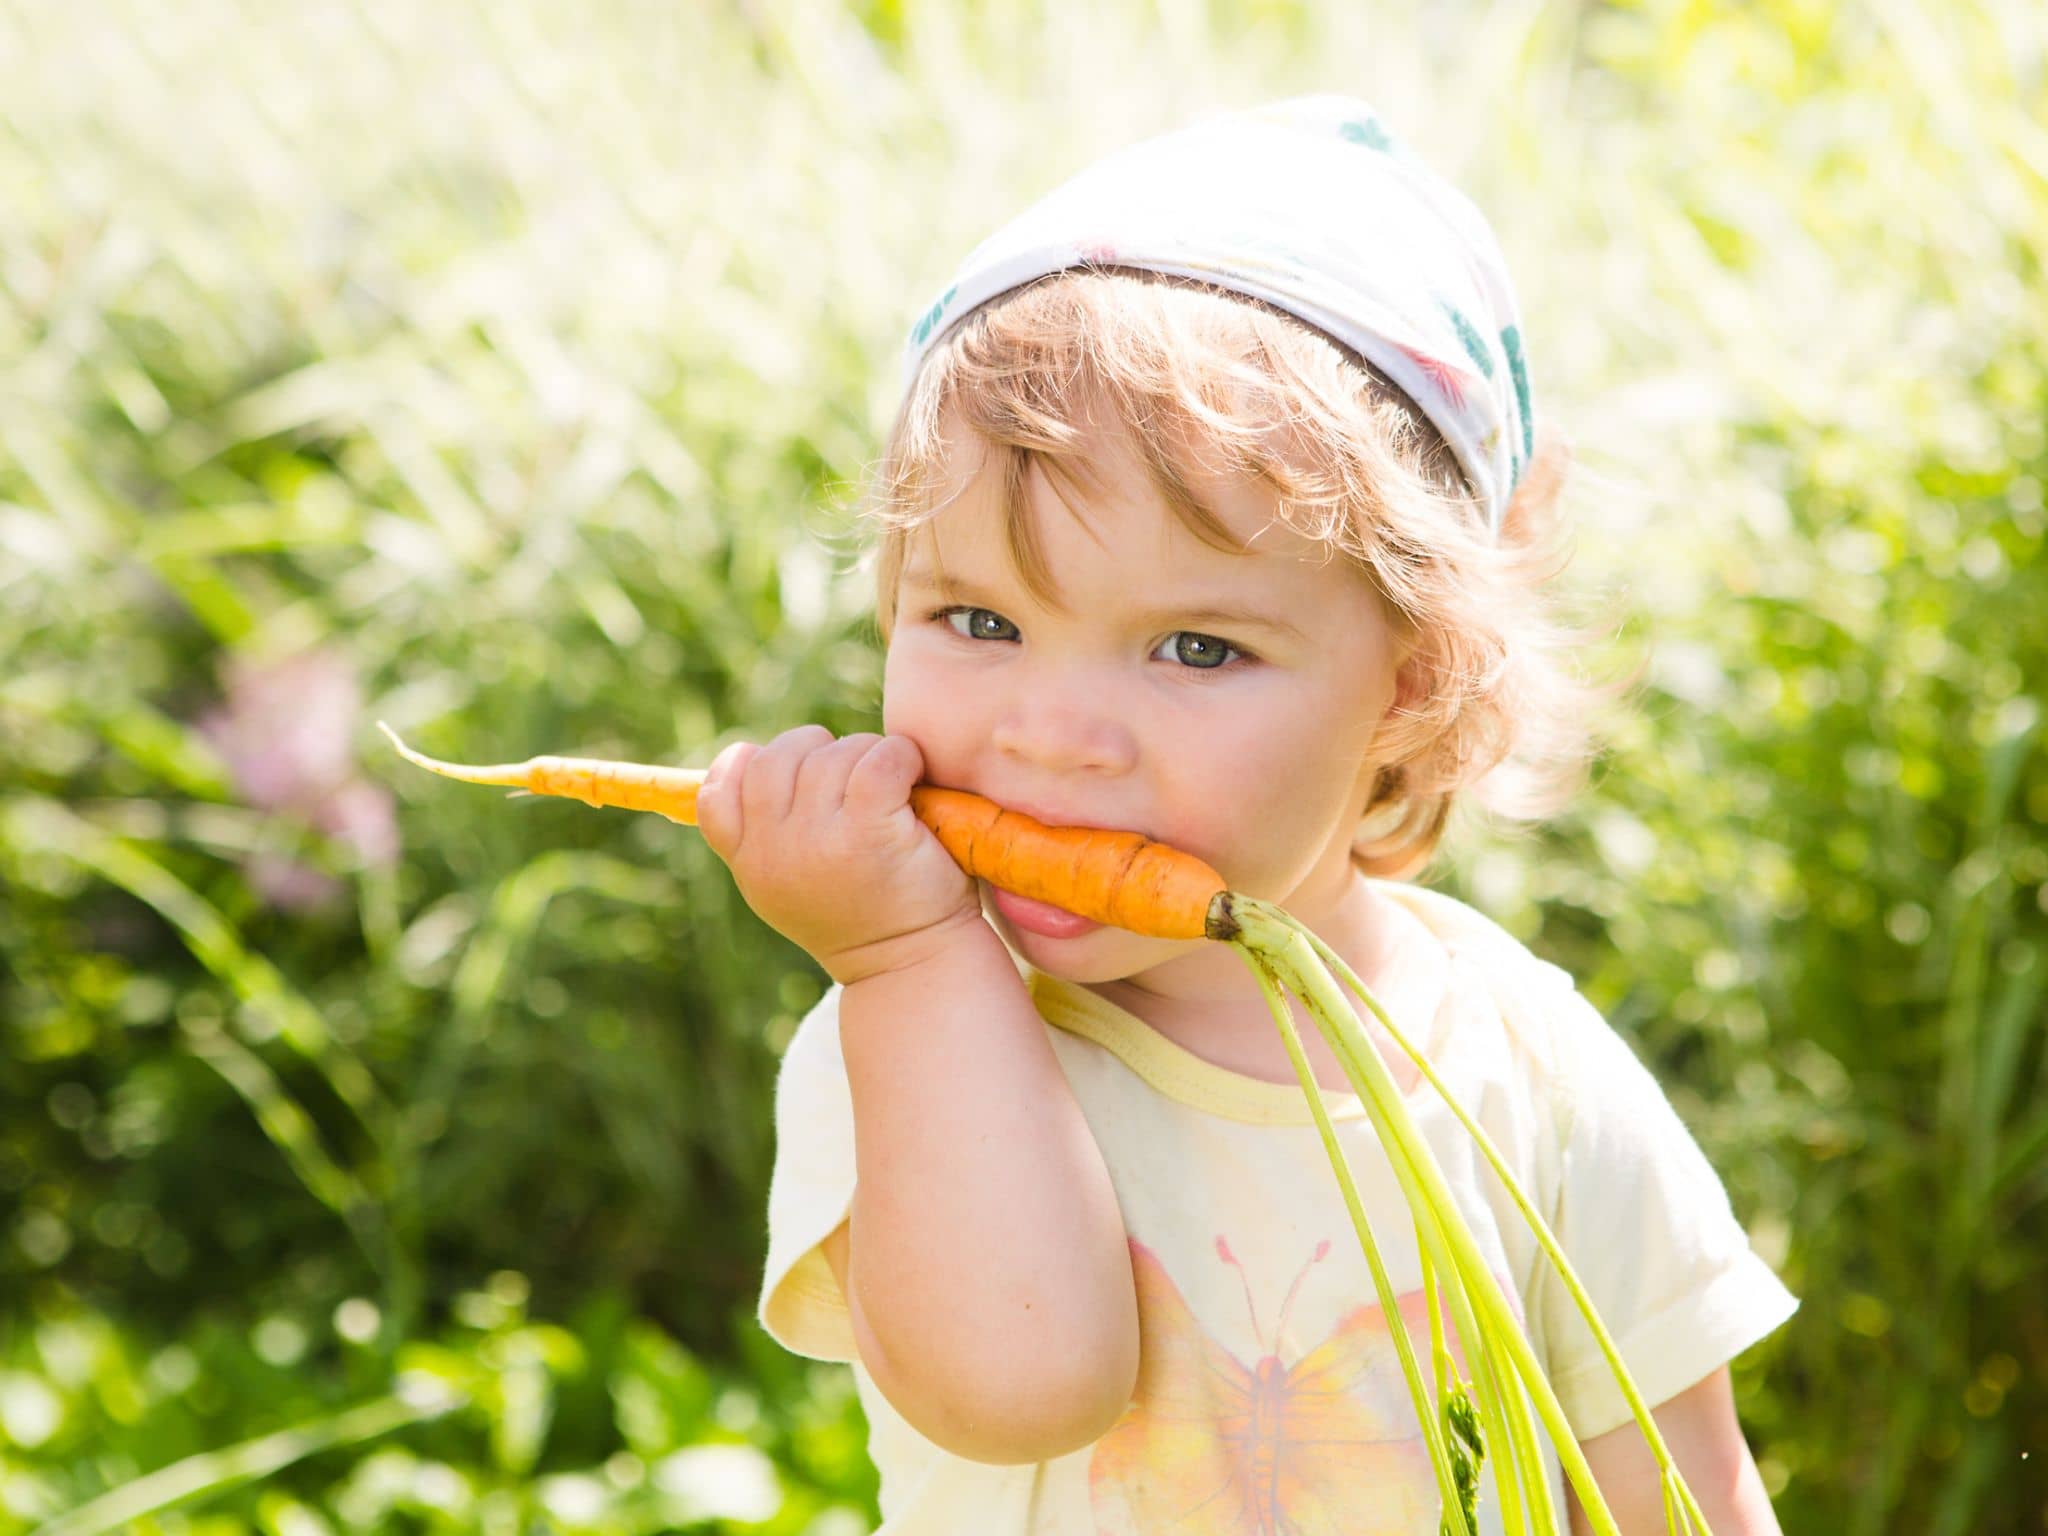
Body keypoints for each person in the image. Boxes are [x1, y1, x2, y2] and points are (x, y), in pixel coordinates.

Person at [696, 96, 1798, 1535]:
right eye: (978, 617)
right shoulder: (918, 1031)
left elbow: (1684, 1501)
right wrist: (902, 961)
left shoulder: (1526, 1064)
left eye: (1196, 650)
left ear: (1412, 682)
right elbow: (1023, 1383)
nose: (1051, 737)